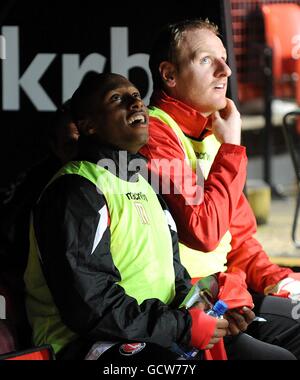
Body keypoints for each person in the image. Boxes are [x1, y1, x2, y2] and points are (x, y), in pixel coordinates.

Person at [23, 72, 230, 361]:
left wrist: (208, 314)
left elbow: (175, 279)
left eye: (136, 95)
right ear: (88, 125)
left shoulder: (145, 184)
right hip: (87, 346)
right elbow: (89, 307)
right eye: (117, 98)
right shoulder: (76, 190)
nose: (136, 103)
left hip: (156, 336)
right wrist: (180, 326)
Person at [139, 18, 300, 359]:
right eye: (206, 60)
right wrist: (231, 147)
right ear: (169, 75)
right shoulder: (155, 135)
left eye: (224, 58)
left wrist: (279, 281)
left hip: (224, 297)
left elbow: (238, 238)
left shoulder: (213, 136)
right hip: (182, 310)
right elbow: (205, 231)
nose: (225, 70)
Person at [0, 100, 79, 350]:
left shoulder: (124, 177)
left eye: (86, 141)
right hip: (40, 309)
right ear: (54, 146)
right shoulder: (38, 185)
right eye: (70, 144)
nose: (79, 152)